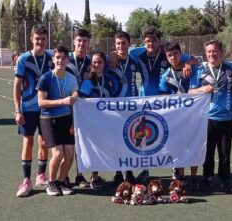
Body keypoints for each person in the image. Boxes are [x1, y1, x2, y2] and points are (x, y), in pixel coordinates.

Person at [129, 26, 196, 183]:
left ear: (159, 41)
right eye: (147, 41)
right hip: (144, 101)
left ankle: (175, 168)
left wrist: (189, 64)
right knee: (143, 137)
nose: (150, 43)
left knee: (170, 135)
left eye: (154, 40)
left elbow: (194, 59)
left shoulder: (167, 53)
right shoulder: (137, 54)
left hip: (165, 103)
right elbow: (122, 54)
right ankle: (145, 169)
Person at [189, 39, 232, 192]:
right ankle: (207, 178)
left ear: (222, 52)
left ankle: (225, 179)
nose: (212, 54)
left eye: (215, 51)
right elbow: (190, 91)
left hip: (227, 118)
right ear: (205, 53)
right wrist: (202, 89)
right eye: (209, 52)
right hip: (207, 118)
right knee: (208, 152)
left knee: (224, 153)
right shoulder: (199, 70)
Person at [13, 25, 53, 197]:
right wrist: (17, 110)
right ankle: (26, 180)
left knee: (44, 143)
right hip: (28, 108)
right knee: (28, 141)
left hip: (45, 108)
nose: (40, 42)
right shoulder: (23, 59)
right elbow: (16, 87)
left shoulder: (51, 59)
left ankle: (41, 175)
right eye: (37, 38)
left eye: (43, 39)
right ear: (31, 38)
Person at [37, 45, 78, 196]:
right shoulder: (46, 78)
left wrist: (74, 122)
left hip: (67, 119)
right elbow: (41, 102)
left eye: (63, 58)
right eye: (57, 57)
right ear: (53, 59)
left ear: (68, 60)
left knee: (69, 155)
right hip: (49, 120)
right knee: (58, 154)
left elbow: (74, 100)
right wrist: (62, 101)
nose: (60, 60)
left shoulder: (71, 78)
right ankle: (51, 182)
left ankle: (61, 182)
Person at [159, 41, 200, 190]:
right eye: (169, 55)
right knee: (178, 146)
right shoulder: (165, 76)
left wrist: (189, 62)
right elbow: (162, 96)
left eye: (175, 53)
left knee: (194, 144)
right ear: (166, 57)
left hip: (193, 114)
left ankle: (194, 176)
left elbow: (197, 87)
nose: (173, 57)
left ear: (180, 53)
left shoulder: (191, 68)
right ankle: (180, 175)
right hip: (176, 117)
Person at [108, 31, 140, 187]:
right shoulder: (109, 61)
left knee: (131, 140)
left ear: (129, 44)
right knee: (117, 141)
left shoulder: (135, 61)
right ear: (115, 45)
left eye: (123, 43)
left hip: (132, 106)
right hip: (115, 108)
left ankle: (129, 172)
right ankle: (118, 172)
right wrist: (112, 55)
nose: (121, 46)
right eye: (118, 44)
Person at [79, 51, 112, 190]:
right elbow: (80, 100)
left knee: (106, 146)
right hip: (91, 121)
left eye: (100, 62)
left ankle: (100, 176)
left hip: (107, 119)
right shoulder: (88, 82)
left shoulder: (109, 80)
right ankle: (93, 177)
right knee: (93, 148)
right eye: (94, 62)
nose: (97, 65)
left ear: (104, 64)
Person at [66, 28, 91, 188]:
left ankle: (80, 175)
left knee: (81, 141)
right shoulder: (65, 59)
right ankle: (64, 175)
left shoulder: (91, 61)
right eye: (79, 40)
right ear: (74, 42)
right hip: (66, 105)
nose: (82, 44)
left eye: (85, 41)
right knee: (67, 142)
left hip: (83, 108)